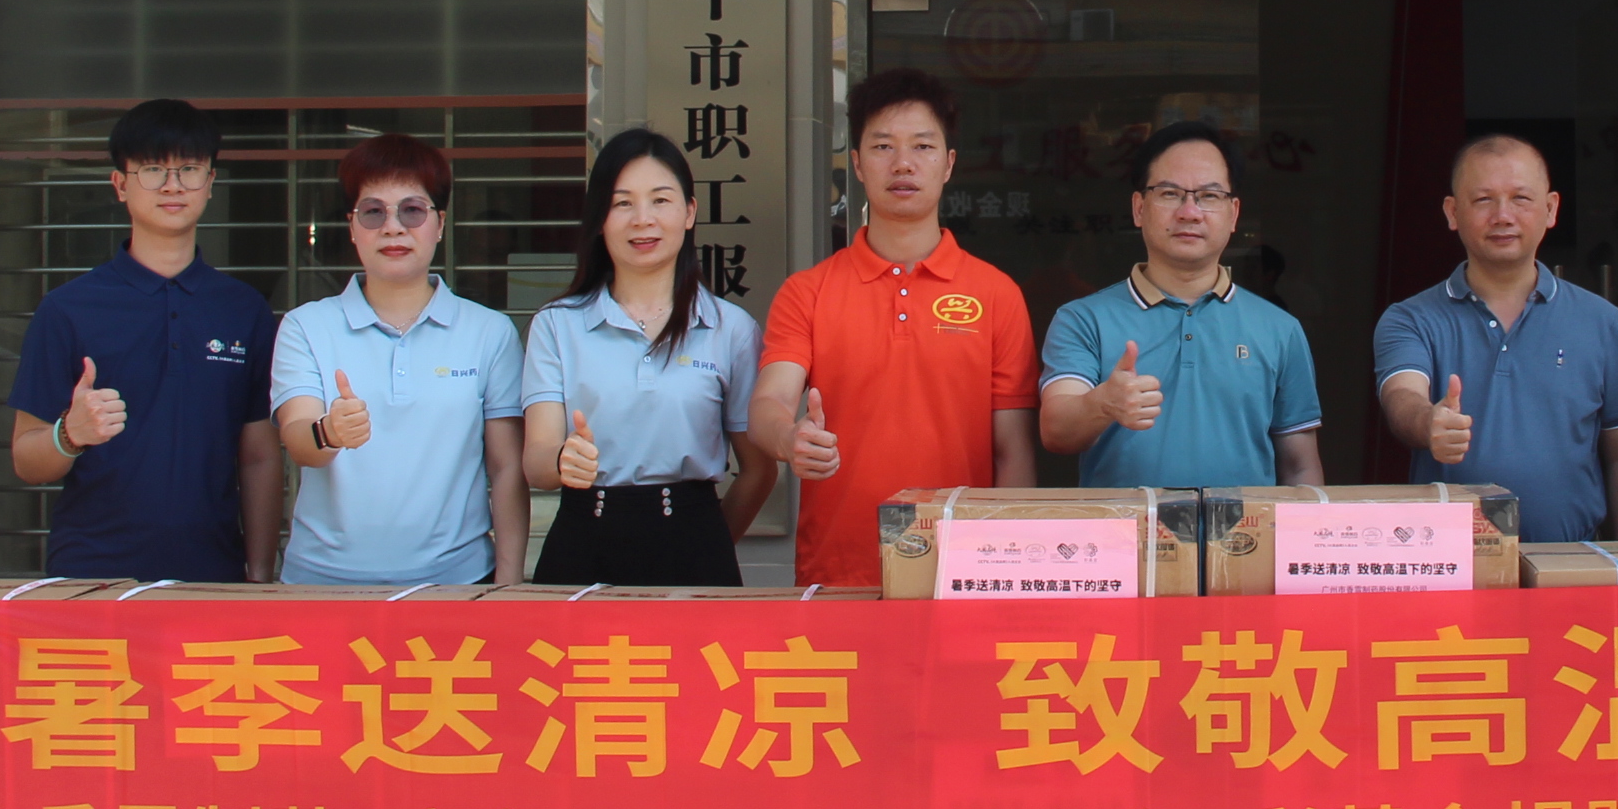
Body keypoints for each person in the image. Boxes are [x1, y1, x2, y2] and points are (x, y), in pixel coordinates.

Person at [749, 68, 1038, 587]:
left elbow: (1012, 450)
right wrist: (789, 438)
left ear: (949, 163)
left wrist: (1008, 567)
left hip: (961, 574)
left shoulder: (996, 294)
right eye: (883, 146)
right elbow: (768, 404)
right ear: (858, 164)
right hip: (838, 573)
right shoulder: (807, 291)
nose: (903, 163)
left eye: (923, 146)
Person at [6, 97, 280, 581]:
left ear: (210, 182)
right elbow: (27, 460)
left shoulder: (243, 309)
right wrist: (70, 434)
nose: (173, 185)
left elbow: (258, 456)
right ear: (120, 184)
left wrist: (258, 573)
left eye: (189, 169)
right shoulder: (68, 309)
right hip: (91, 576)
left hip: (213, 575)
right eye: (153, 169)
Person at [522, 128, 781, 585]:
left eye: (660, 200)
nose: (643, 220)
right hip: (582, 545)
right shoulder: (556, 325)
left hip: (694, 546)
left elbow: (758, 470)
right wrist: (563, 459)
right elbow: (536, 462)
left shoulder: (731, 329)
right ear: (599, 219)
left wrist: (711, 544)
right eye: (622, 203)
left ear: (689, 212)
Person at [268, 133, 528, 585]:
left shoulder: (489, 332)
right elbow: (298, 439)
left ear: (440, 223)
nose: (393, 227)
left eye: (412, 210)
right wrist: (329, 432)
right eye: (373, 212)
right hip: (320, 586)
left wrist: (507, 586)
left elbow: (506, 468)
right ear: (352, 227)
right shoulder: (305, 326)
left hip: (457, 583)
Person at [1375, 133, 1618, 541]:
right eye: (1483, 200)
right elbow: (1402, 396)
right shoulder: (1411, 318)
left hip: (1570, 562)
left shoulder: (1599, 320)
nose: (1502, 216)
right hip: (1452, 561)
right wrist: (1428, 421)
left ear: (1551, 209)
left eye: (1520, 198)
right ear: (1452, 212)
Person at [1040, 120, 1322, 487]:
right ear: (1139, 208)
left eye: (1209, 196)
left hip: (1244, 526)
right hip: (1127, 525)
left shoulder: (1280, 328)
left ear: (1234, 213)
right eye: (1170, 193)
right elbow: (1056, 432)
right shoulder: (1082, 319)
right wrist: (1104, 403)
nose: (1190, 212)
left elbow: (1300, 467)